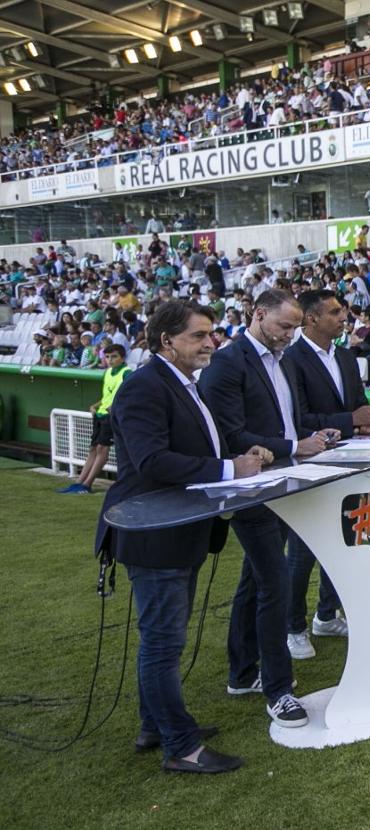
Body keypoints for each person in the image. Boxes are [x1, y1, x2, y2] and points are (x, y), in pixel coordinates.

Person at [96, 300, 268, 774]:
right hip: (155, 535)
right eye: (199, 335)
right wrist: (231, 468)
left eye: (212, 334)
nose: (211, 342)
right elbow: (152, 462)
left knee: (162, 638)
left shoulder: (184, 385)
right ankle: (181, 746)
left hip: (181, 531)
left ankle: (154, 725)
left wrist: (241, 453)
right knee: (162, 643)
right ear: (166, 341)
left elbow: (199, 446)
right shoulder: (142, 388)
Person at [199, 289, 334, 730]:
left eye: (295, 327)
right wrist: (296, 445)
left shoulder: (283, 359)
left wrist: (317, 433)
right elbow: (230, 433)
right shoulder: (228, 361)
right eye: (284, 326)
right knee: (273, 583)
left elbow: (289, 420)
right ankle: (279, 690)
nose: (290, 335)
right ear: (258, 315)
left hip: (282, 481)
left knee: (255, 580)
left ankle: (242, 674)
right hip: (253, 487)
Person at [283, 290, 370, 660]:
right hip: (309, 467)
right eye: (335, 312)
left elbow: (355, 405)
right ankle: (292, 627)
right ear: (311, 318)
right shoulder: (290, 360)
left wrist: (365, 421)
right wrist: (350, 420)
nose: (344, 317)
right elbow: (297, 419)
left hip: (348, 464)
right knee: (303, 551)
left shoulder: (345, 356)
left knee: (344, 540)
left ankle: (326, 614)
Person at [59, 344, 131, 495]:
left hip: (111, 416)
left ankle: (87, 484)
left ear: (122, 358)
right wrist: (96, 405)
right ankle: (79, 482)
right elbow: (107, 396)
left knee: (102, 448)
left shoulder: (127, 373)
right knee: (92, 448)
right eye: (108, 357)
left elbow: (129, 395)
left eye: (114, 356)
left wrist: (115, 407)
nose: (110, 360)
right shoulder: (108, 372)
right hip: (100, 414)